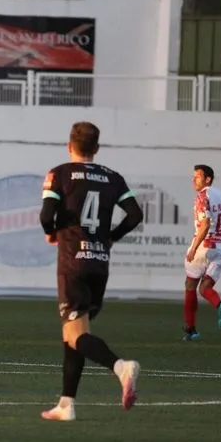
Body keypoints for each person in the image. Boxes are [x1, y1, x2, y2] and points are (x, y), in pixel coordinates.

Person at [38, 121, 145, 421]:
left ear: (69, 145)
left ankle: (120, 367)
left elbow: (46, 216)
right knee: (75, 332)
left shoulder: (59, 174)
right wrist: (111, 237)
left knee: (75, 334)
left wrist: (51, 232)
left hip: (73, 262)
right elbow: (135, 214)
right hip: (99, 262)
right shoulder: (112, 177)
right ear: (96, 148)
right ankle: (66, 403)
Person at [182, 164, 221, 341]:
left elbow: (204, 225)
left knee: (190, 286)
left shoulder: (202, 196)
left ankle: (191, 330)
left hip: (204, 246)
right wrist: (218, 233)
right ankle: (219, 304)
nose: (193, 180)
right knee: (205, 288)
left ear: (207, 179)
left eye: (197, 176)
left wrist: (194, 248)